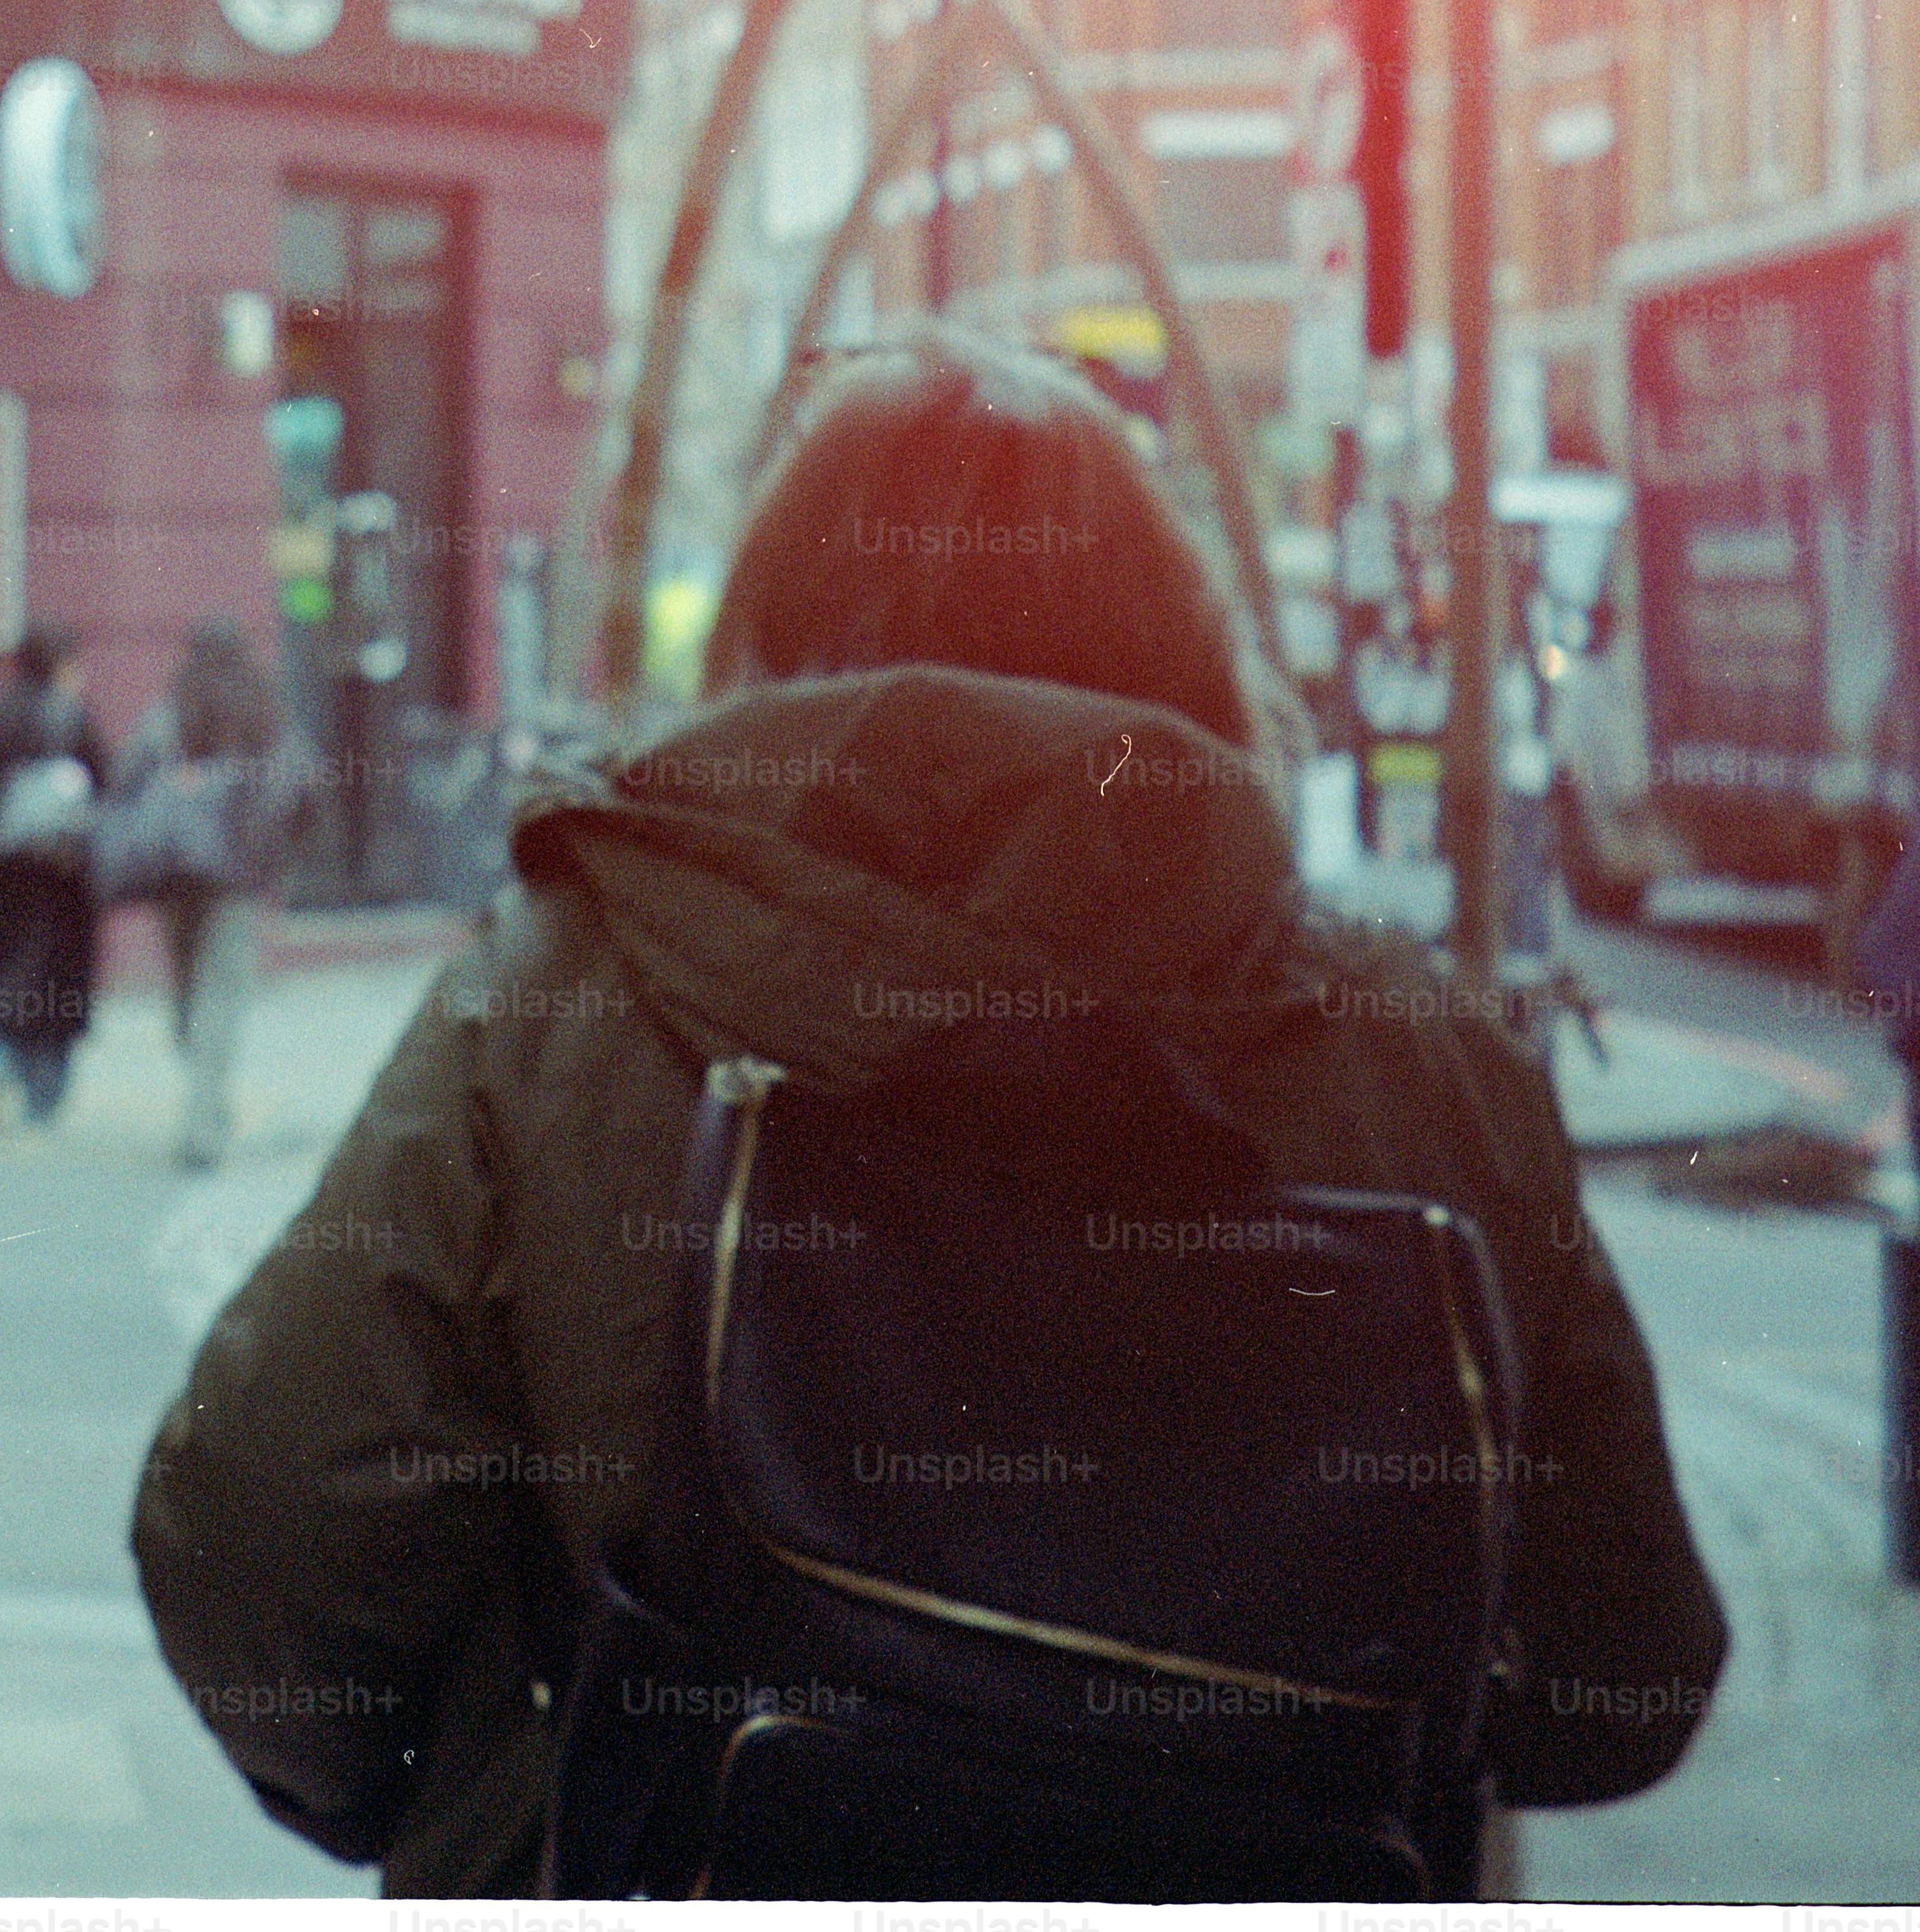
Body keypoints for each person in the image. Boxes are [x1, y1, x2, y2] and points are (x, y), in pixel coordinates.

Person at [134, 333, 1724, 1892]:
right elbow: (1619, 1667)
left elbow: (258, 1540)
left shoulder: (561, 994)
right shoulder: (1415, 1052)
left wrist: (508, 1794)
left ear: (766, 633)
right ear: (1182, 649)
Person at [108, 617, 306, 1171]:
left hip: (178, 879)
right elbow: (299, 790)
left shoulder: (169, 714)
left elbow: (127, 781)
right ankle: (204, 1117)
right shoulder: (266, 717)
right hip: (238, 883)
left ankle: (201, 1097)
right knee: (222, 993)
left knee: (189, 989)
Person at [0, 624, 110, 1128]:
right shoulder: (75, 721)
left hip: (3, 874)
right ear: (62, 666)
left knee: (1, 971)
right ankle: (44, 1096)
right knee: (57, 982)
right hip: (66, 879)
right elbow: (104, 788)